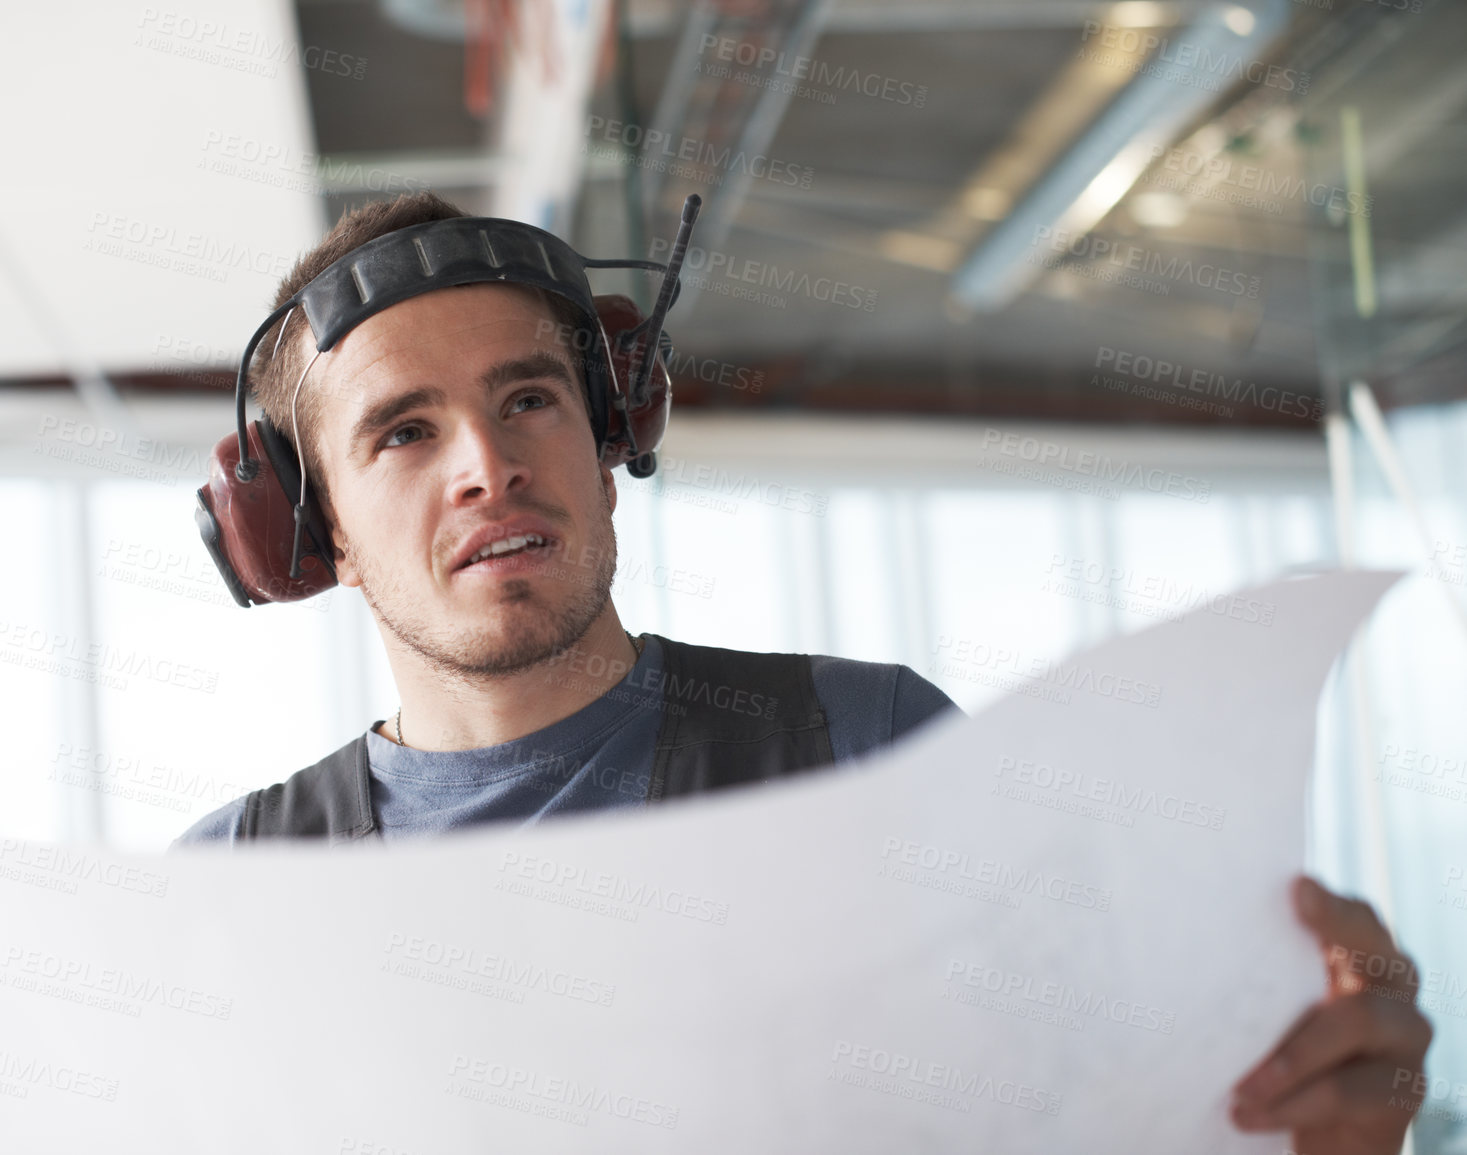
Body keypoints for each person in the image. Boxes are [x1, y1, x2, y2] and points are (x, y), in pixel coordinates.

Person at [177, 192, 1433, 1151]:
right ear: (312, 529)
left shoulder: (860, 739)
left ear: (612, 434)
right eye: (404, 431)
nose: (487, 466)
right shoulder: (235, 888)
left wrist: (1306, 1093)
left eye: (532, 400)